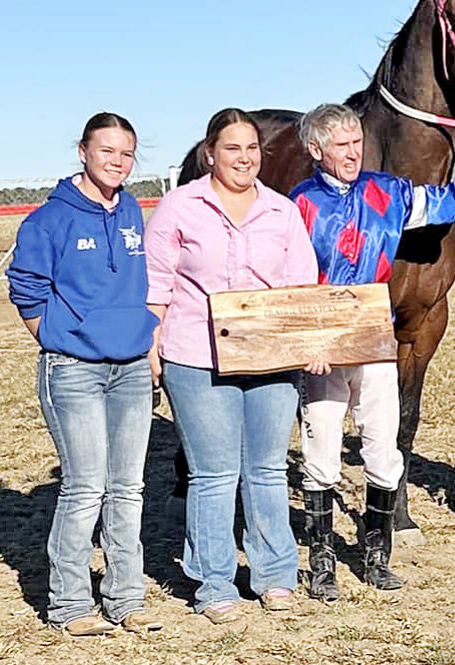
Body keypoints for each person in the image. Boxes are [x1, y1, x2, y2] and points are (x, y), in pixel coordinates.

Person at [289, 103, 455, 599]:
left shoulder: (387, 193)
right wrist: (308, 341)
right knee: (321, 451)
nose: (352, 152)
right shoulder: (296, 205)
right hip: (323, 348)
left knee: (383, 449)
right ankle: (322, 561)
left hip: (375, 340)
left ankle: (376, 555)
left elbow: (453, 203)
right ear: (315, 150)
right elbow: (286, 283)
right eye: (340, 145)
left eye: (356, 141)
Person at [143, 108, 321, 624]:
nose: (243, 158)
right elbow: (157, 285)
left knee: (266, 470)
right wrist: (152, 350)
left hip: (270, 358)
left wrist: (309, 342)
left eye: (251, 149)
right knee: (214, 474)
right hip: (196, 357)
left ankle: (275, 576)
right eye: (232, 149)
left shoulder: (281, 211)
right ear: (210, 154)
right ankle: (214, 583)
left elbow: (300, 286)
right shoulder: (179, 207)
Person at [6, 112, 164, 635]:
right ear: (82, 151)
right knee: (85, 487)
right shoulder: (50, 220)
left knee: (128, 489)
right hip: (73, 371)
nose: (117, 163)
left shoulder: (132, 210)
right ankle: (70, 604)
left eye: (126, 154)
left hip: (130, 369)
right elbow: (26, 288)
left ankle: (126, 598)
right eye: (107, 152)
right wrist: (57, 337)